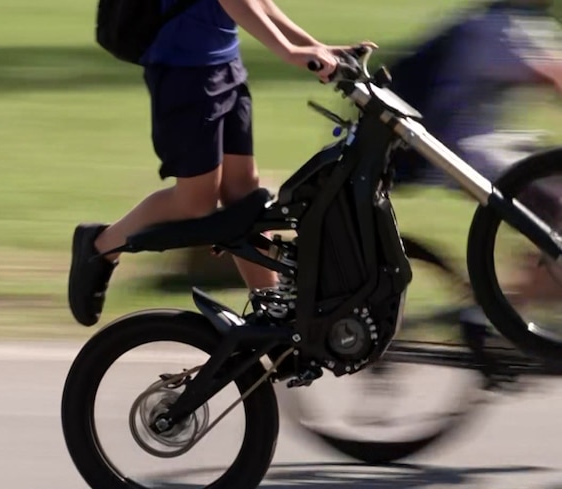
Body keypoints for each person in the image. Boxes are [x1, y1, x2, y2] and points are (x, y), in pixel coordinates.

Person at [67, 0, 374, 327]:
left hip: (225, 63)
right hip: (184, 70)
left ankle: (273, 311)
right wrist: (288, 51)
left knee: (243, 196)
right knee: (193, 203)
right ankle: (99, 245)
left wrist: (310, 45)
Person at [386, 0, 562, 327]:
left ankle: (506, 316)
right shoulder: (495, 28)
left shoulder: (514, 21)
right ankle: (495, 319)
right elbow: (554, 76)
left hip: (491, 146)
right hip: (466, 156)